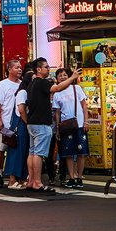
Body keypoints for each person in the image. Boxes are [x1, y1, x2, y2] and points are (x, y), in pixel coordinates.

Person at [25, 58, 80, 192]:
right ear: (38, 69)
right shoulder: (41, 82)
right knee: (38, 153)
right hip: (41, 122)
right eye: (46, 67)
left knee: (32, 152)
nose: (48, 69)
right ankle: (37, 182)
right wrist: (72, 77)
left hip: (32, 122)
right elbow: (58, 88)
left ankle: (31, 181)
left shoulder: (32, 84)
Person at [53, 66, 89, 188]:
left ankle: (79, 177)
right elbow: (57, 113)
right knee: (68, 153)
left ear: (69, 76)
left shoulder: (76, 88)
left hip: (79, 124)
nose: (62, 77)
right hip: (65, 126)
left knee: (81, 153)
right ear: (56, 79)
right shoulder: (57, 93)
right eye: (60, 76)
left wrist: (86, 122)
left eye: (64, 75)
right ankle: (71, 177)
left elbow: (84, 106)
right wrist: (57, 128)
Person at [0, 59, 22, 188]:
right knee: (1, 148)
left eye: (20, 67)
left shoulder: (22, 84)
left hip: (17, 123)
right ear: (9, 69)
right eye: (16, 67)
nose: (19, 69)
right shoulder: (2, 84)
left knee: (15, 148)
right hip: (5, 122)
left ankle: (15, 175)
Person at [5, 71, 32, 189]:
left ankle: (21, 178)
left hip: (23, 124)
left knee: (25, 151)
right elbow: (21, 110)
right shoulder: (22, 92)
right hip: (20, 124)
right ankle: (12, 179)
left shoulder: (29, 92)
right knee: (17, 152)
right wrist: (27, 124)